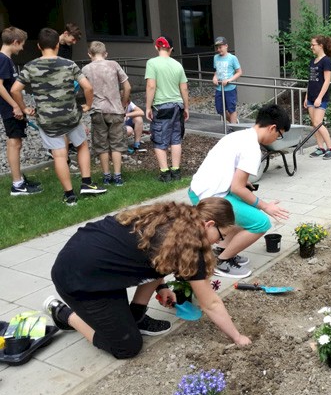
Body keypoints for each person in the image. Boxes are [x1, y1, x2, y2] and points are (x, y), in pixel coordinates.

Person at [43, 197, 252, 360]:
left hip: (94, 267)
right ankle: (64, 313)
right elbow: (211, 304)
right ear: (209, 224)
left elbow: (154, 259)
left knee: (131, 318)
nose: (219, 242)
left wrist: (161, 288)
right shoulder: (191, 247)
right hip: (79, 282)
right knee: (127, 347)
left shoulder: (175, 218)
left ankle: (136, 315)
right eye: (222, 236)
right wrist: (237, 337)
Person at [189, 104, 291, 278]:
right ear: (272, 128)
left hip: (198, 189)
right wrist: (266, 207)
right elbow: (237, 188)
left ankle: (222, 250)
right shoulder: (252, 148)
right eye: (279, 135)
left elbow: (231, 175)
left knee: (246, 212)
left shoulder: (239, 136)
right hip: (211, 197)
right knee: (260, 223)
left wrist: (246, 188)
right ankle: (222, 262)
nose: (276, 139)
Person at [11, 27, 106, 206]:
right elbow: (88, 87)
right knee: (82, 146)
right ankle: (86, 183)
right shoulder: (68, 64)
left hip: (47, 120)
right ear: (57, 45)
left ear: (39, 46)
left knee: (59, 155)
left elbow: (15, 90)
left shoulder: (30, 67)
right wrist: (88, 105)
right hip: (71, 116)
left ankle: (70, 195)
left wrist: (24, 109)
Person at [82, 41, 132, 186]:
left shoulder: (86, 69)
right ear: (106, 54)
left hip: (98, 111)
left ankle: (106, 175)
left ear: (89, 54)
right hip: (115, 110)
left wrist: (88, 104)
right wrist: (123, 103)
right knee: (117, 144)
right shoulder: (114, 65)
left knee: (101, 144)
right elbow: (127, 86)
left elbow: (85, 89)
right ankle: (117, 176)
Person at [0, 26, 43, 196]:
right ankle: (17, 185)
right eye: (21, 44)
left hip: (11, 109)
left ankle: (19, 180)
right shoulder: (3, 59)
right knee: (14, 143)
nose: (22, 48)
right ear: (15, 42)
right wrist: (15, 106)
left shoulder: (5, 59)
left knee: (16, 142)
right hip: (10, 110)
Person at [145, 36, 189, 182]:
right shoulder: (178, 65)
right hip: (177, 106)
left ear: (157, 47)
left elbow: (151, 86)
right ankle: (176, 172)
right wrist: (186, 108)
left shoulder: (152, 63)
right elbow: (184, 88)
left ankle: (165, 174)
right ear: (170, 49)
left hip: (162, 106)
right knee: (176, 139)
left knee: (159, 140)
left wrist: (147, 107)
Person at [306, 35, 331, 160]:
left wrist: (319, 98)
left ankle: (330, 148)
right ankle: (320, 148)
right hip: (311, 97)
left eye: (313, 44)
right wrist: (306, 97)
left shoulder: (326, 61)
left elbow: (327, 80)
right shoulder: (313, 61)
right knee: (314, 124)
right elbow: (310, 80)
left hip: (320, 98)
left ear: (320, 45)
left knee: (318, 123)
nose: (311, 47)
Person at [213, 36, 242, 124]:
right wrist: (214, 77)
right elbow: (216, 71)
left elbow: (239, 72)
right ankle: (234, 123)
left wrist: (229, 79)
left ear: (226, 46)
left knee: (231, 109)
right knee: (220, 109)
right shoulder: (215, 57)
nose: (219, 49)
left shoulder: (232, 58)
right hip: (219, 88)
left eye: (220, 47)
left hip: (230, 88)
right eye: (217, 47)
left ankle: (233, 128)